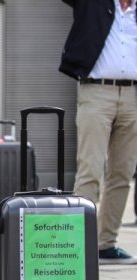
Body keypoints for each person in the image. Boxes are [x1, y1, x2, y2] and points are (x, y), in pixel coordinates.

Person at [59, 0, 137, 264]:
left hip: (133, 96)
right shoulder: (93, 2)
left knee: (123, 173)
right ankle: (77, 244)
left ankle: (106, 244)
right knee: (90, 168)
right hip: (96, 92)